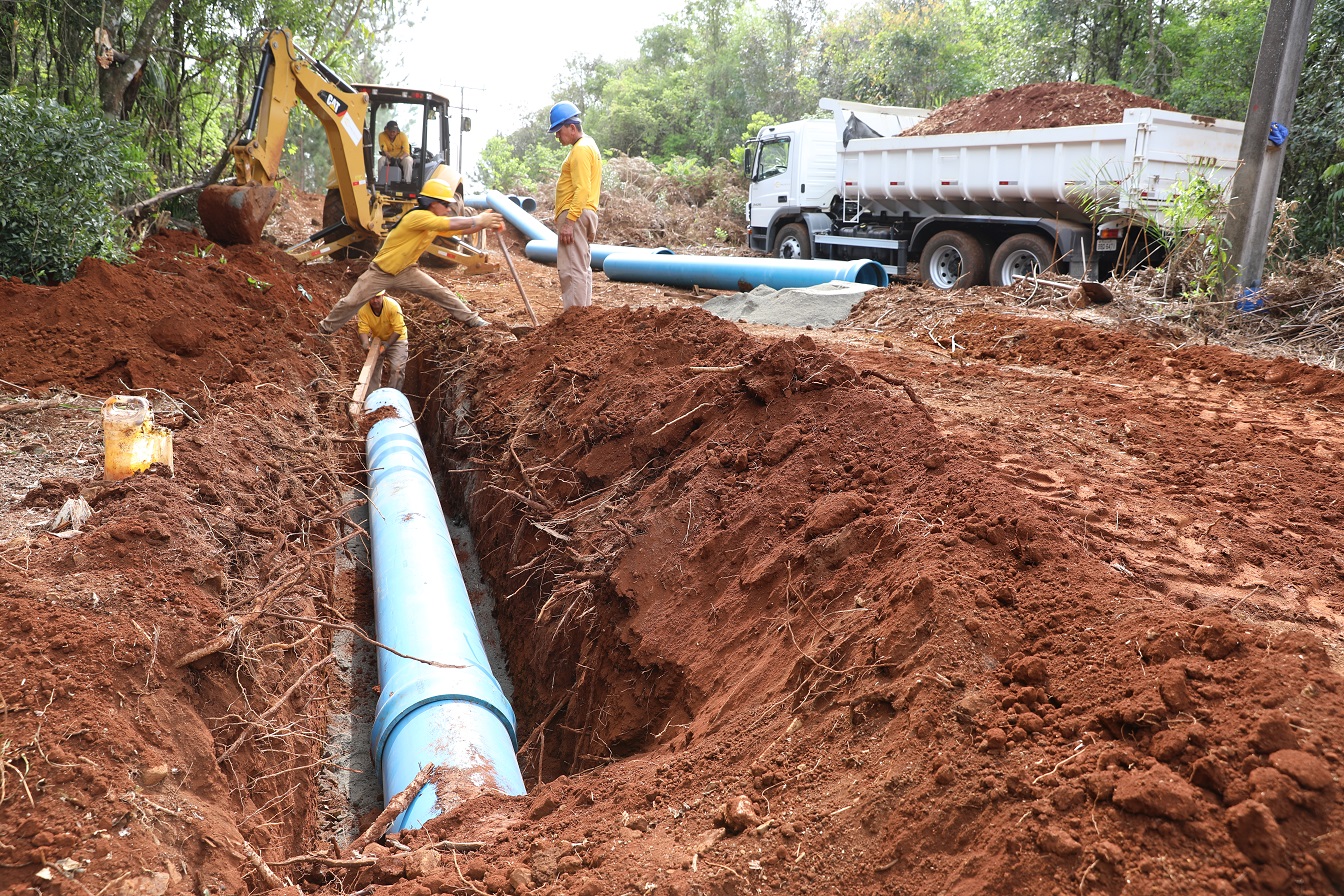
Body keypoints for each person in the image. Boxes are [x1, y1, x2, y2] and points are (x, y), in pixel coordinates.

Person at [317, 172, 504, 334]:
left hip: (407, 271)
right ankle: (324, 329)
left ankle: (473, 320)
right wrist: (478, 219)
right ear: (432, 203)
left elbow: (458, 230)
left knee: (441, 293)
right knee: (351, 302)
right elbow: (451, 224)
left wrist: (482, 223)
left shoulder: (433, 220)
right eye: (445, 204)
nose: (448, 208)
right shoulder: (418, 217)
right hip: (381, 272)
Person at [548, 101, 602, 311]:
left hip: (576, 214)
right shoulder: (589, 145)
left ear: (572, 127)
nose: (557, 137)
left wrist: (569, 222)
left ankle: (575, 321)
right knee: (581, 268)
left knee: (571, 269)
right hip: (584, 213)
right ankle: (583, 318)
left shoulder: (580, 150)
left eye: (558, 131)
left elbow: (582, 189)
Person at [357, 291, 409, 391]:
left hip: (397, 339)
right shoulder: (363, 310)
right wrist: (365, 344)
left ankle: (393, 396)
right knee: (372, 368)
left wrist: (387, 345)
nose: (374, 300)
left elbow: (398, 329)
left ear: (383, 295)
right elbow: (363, 330)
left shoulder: (393, 306)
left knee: (397, 368)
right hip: (378, 339)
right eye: (372, 297)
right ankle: (372, 398)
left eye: (377, 297)